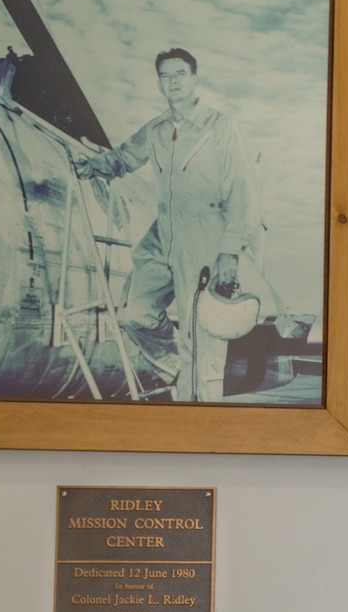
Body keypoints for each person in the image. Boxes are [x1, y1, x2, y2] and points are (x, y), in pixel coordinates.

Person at [79, 48, 266, 401]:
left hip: (206, 237)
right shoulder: (156, 129)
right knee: (134, 313)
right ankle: (178, 368)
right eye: (166, 76)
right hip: (162, 234)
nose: (173, 82)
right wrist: (94, 166)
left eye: (180, 74)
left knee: (202, 341)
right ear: (159, 84)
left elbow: (243, 191)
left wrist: (230, 251)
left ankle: (201, 415)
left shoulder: (221, 126)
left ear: (194, 79)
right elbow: (122, 158)